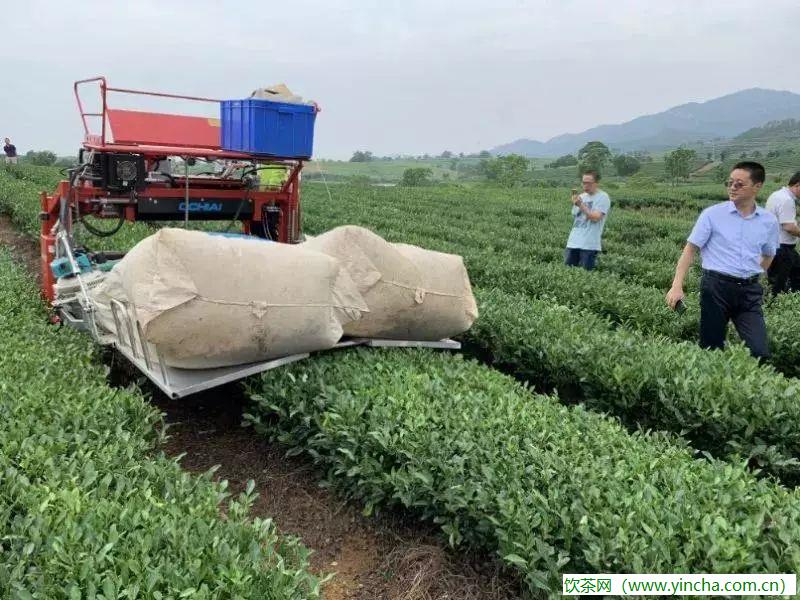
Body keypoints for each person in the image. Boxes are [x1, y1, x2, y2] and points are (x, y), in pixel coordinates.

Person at [666, 161, 778, 360]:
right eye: (730, 183)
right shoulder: (712, 215)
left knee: (760, 352)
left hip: (749, 293)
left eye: (739, 184)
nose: (732, 187)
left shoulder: (768, 221)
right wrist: (677, 286)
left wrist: (754, 275)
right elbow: (690, 250)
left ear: (757, 186)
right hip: (716, 288)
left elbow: (769, 254)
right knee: (711, 349)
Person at [564, 170, 611, 270]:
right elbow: (576, 216)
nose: (585, 185)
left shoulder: (603, 197)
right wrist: (576, 203)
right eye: (583, 182)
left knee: (585, 275)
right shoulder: (580, 197)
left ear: (596, 183)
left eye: (588, 183)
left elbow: (595, 218)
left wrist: (580, 205)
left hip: (589, 244)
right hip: (573, 242)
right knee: (568, 273)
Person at [764, 171, 800, 294]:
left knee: (796, 275)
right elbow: (789, 227)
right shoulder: (787, 200)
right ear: (798, 185)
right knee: (777, 286)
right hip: (782, 250)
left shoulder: (777, 195)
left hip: (777, 247)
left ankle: (791, 304)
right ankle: (772, 307)